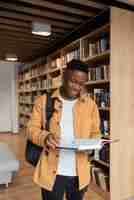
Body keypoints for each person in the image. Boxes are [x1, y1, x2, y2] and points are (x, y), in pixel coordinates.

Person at [26, 59, 101, 200]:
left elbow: (95, 132)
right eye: (73, 81)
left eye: (81, 84)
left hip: (80, 173)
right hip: (52, 172)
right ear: (64, 75)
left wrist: (92, 145)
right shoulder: (44, 101)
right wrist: (45, 137)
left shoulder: (90, 105)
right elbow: (31, 129)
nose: (77, 88)